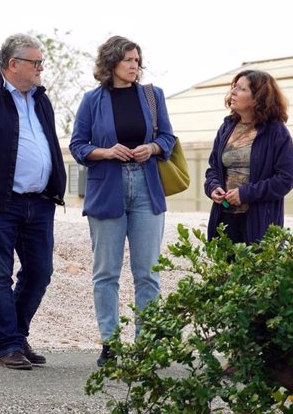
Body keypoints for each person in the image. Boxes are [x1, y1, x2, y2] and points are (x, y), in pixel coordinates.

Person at [0, 33, 67, 370]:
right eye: (35, 62)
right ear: (13, 64)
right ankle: (8, 346)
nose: (41, 68)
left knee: (40, 272)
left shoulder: (41, 99)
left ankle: (16, 335)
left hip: (39, 202)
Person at [69, 36, 176, 367]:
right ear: (111, 63)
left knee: (147, 273)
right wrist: (107, 151)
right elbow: (78, 146)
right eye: (128, 60)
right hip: (107, 189)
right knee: (106, 273)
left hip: (146, 185)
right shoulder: (92, 100)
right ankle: (110, 344)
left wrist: (153, 148)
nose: (134, 66)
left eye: (137, 61)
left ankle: (145, 344)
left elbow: (168, 138)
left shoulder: (152, 96)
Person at [204, 69, 293, 245]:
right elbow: (213, 169)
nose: (233, 92)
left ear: (257, 98)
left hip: (259, 222)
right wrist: (213, 187)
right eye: (234, 87)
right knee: (224, 272)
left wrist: (245, 194)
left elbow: (287, 178)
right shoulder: (226, 128)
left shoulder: (276, 132)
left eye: (241, 88)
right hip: (225, 218)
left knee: (256, 271)